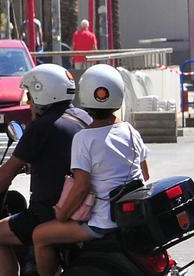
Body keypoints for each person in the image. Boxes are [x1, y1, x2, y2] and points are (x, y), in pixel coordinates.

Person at [0, 64, 91, 276]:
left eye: (30, 95)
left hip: (49, 211)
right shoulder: (84, 118)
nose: (28, 102)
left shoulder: (42, 126)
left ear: (42, 93)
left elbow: (7, 172)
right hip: (82, 208)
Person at [33, 64, 149, 276]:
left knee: (40, 235)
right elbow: (145, 174)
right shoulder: (130, 131)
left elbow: (81, 186)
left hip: (103, 222)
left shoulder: (84, 138)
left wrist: (62, 215)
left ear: (84, 96)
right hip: (130, 217)